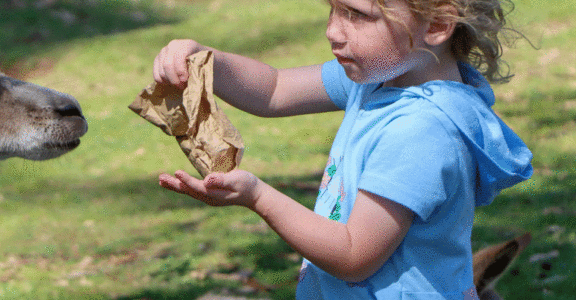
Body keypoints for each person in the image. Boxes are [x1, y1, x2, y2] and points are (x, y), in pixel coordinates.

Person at [153, 0, 533, 298]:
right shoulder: (382, 80)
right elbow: (274, 89)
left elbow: (354, 256)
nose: (333, 31)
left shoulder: (421, 132)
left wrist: (257, 196)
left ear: (436, 25)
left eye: (357, 14)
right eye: (333, 8)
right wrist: (205, 59)